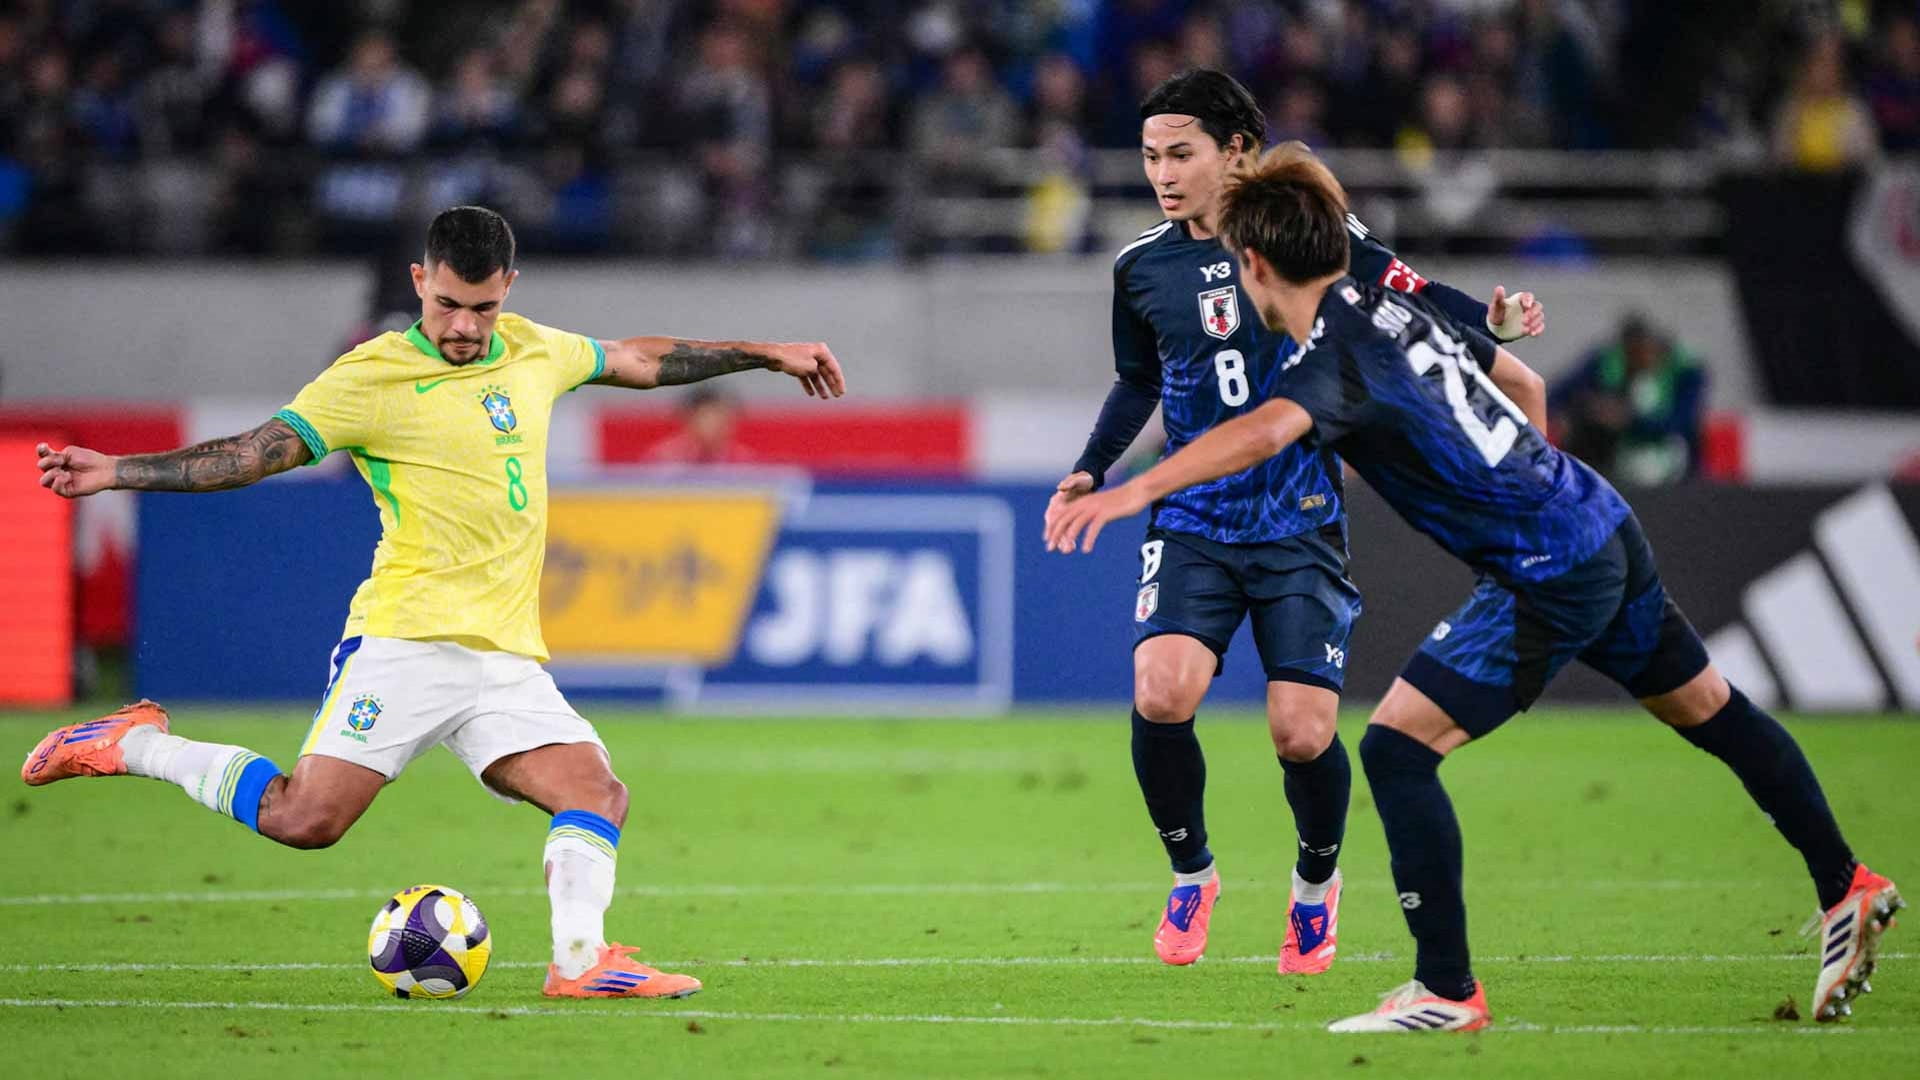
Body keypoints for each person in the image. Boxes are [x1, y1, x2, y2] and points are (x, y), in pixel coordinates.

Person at [1045, 144, 1899, 1031]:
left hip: (1548, 568)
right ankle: (1847, 884)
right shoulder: (1388, 310)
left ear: (1253, 265)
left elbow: (1262, 434)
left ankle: (1447, 992)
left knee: (1397, 750)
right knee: (1710, 710)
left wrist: (1136, 489)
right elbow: (1523, 379)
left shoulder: (1330, 357)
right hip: (1600, 522)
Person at [24, 205, 847, 1001]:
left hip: (504, 655)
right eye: (447, 303)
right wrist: (118, 470)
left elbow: (638, 359)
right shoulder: (372, 375)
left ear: (509, 291)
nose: (463, 325)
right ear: (421, 281)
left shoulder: (531, 348)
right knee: (304, 819)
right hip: (406, 641)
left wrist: (767, 353)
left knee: (596, 793)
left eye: (482, 307)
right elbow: (252, 453)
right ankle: (135, 744)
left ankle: (581, 963)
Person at [1052, 69, 1545, 975]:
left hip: (1300, 516)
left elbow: (1408, 289)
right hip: (1193, 511)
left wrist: (1493, 325)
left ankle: (1315, 886)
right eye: (1151, 156)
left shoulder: (1296, 233)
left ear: (1235, 152)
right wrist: (1091, 468)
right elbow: (1140, 381)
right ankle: (1192, 870)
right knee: (1161, 691)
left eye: (1181, 154)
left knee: (1302, 733)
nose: (1162, 173)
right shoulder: (1140, 268)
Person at [1549, 313, 1705, 485]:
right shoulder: (1606, 362)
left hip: (1668, 452)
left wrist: (1629, 420)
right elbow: (1560, 393)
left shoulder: (1685, 372)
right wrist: (1564, 416)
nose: (1640, 360)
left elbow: (1681, 423)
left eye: (1644, 352)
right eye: (1632, 353)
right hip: (1616, 455)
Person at [643, 386, 754, 465]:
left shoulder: (743, 463)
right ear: (688, 419)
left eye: (720, 418)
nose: (714, 426)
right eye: (706, 418)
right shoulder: (664, 461)